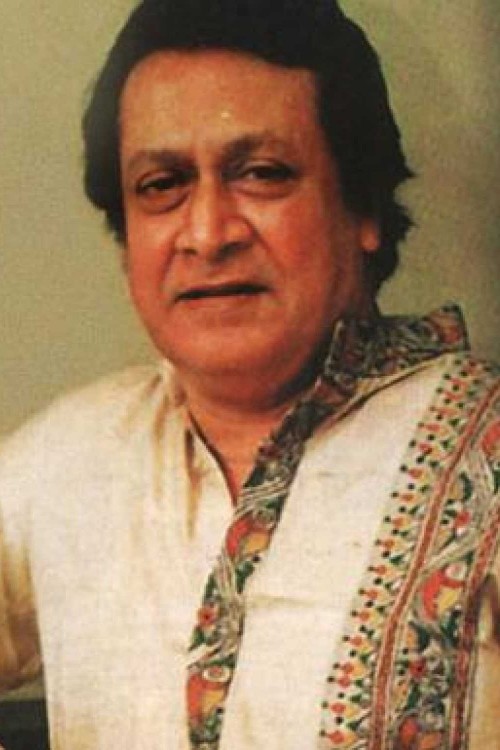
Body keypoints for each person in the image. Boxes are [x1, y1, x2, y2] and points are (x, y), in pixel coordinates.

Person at [0, 0, 498, 748]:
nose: (207, 234)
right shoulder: (69, 462)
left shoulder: (486, 453)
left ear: (363, 207)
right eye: (161, 185)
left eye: (262, 174)